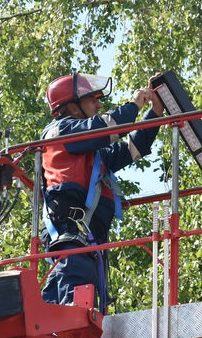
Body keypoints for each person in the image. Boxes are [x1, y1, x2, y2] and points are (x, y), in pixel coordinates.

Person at [40, 71, 164, 310]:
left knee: (66, 294)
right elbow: (107, 126)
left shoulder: (90, 151)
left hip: (85, 240)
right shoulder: (61, 131)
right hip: (70, 233)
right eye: (93, 99)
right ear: (73, 108)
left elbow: (131, 149)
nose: (99, 104)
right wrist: (135, 104)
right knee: (73, 298)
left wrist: (155, 112)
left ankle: (46, 337)